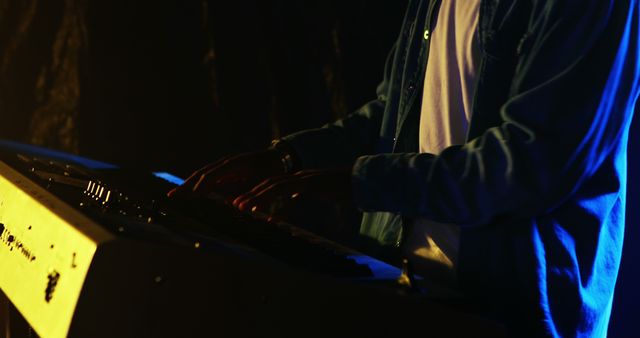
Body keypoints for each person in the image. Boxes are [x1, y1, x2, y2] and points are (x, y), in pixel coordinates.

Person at [169, 0, 640, 336]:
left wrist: (360, 182)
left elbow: (530, 165)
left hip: (510, 310)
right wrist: (288, 157)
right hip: (407, 291)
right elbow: (388, 114)